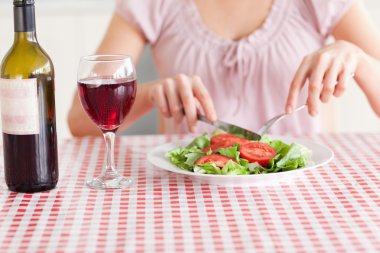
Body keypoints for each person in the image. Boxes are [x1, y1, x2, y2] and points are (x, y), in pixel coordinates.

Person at [68, 0, 380, 137]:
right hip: (187, 197)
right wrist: (150, 94)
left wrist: (359, 60)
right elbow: (80, 121)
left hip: (299, 198)